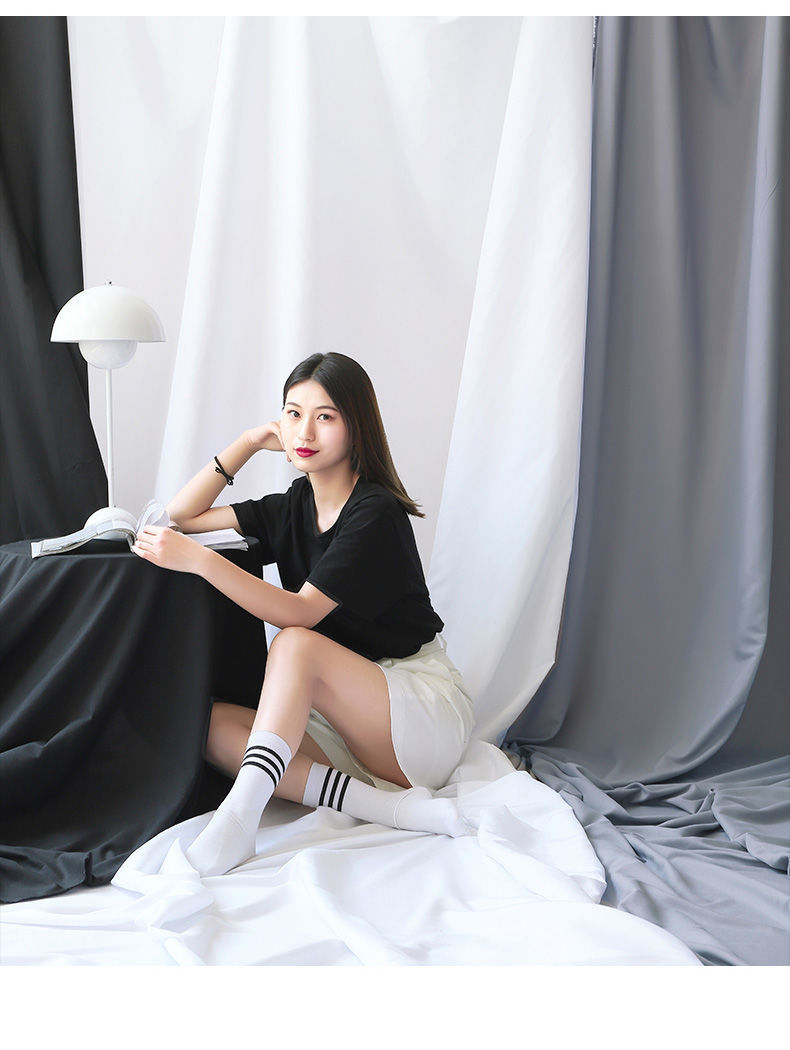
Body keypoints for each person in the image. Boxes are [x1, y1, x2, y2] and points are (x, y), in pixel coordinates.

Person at [132, 352, 474, 876]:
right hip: (344, 719)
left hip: (417, 712)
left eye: (325, 416)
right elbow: (182, 515)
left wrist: (199, 562)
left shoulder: (375, 512)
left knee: (293, 641)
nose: (304, 431)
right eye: (293, 414)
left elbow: (303, 613)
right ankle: (389, 808)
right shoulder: (293, 505)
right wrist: (248, 443)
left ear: (357, 427)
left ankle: (237, 822)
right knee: (211, 725)